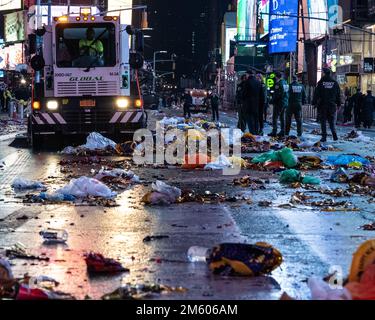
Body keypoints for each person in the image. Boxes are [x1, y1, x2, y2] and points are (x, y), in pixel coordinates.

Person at [312, 68, 341, 142]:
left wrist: (314, 103)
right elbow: (338, 94)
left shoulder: (321, 82)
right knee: (332, 121)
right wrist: (339, 104)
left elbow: (316, 94)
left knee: (323, 121)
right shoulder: (335, 83)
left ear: (324, 73)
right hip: (332, 105)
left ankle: (324, 137)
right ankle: (334, 135)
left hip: (323, 105)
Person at [242, 70, 264, 135]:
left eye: (246, 75)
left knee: (250, 120)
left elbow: (244, 94)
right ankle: (256, 132)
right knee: (256, 120)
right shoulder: (258, 83)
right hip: (257, 105)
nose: (246, 76)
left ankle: (252, 133)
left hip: (248, 105)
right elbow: (262, 95)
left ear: (248, 74)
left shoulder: (247, 82)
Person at [269, 72, 289, 137]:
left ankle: (274, 131)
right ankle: (283, 131)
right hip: (285, 102)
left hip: (279, 103)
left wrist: (272, 101)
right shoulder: (285, 82)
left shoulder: (278, 84)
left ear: (277, 77)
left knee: (275, 117)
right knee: (282, 117)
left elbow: (277, 94)